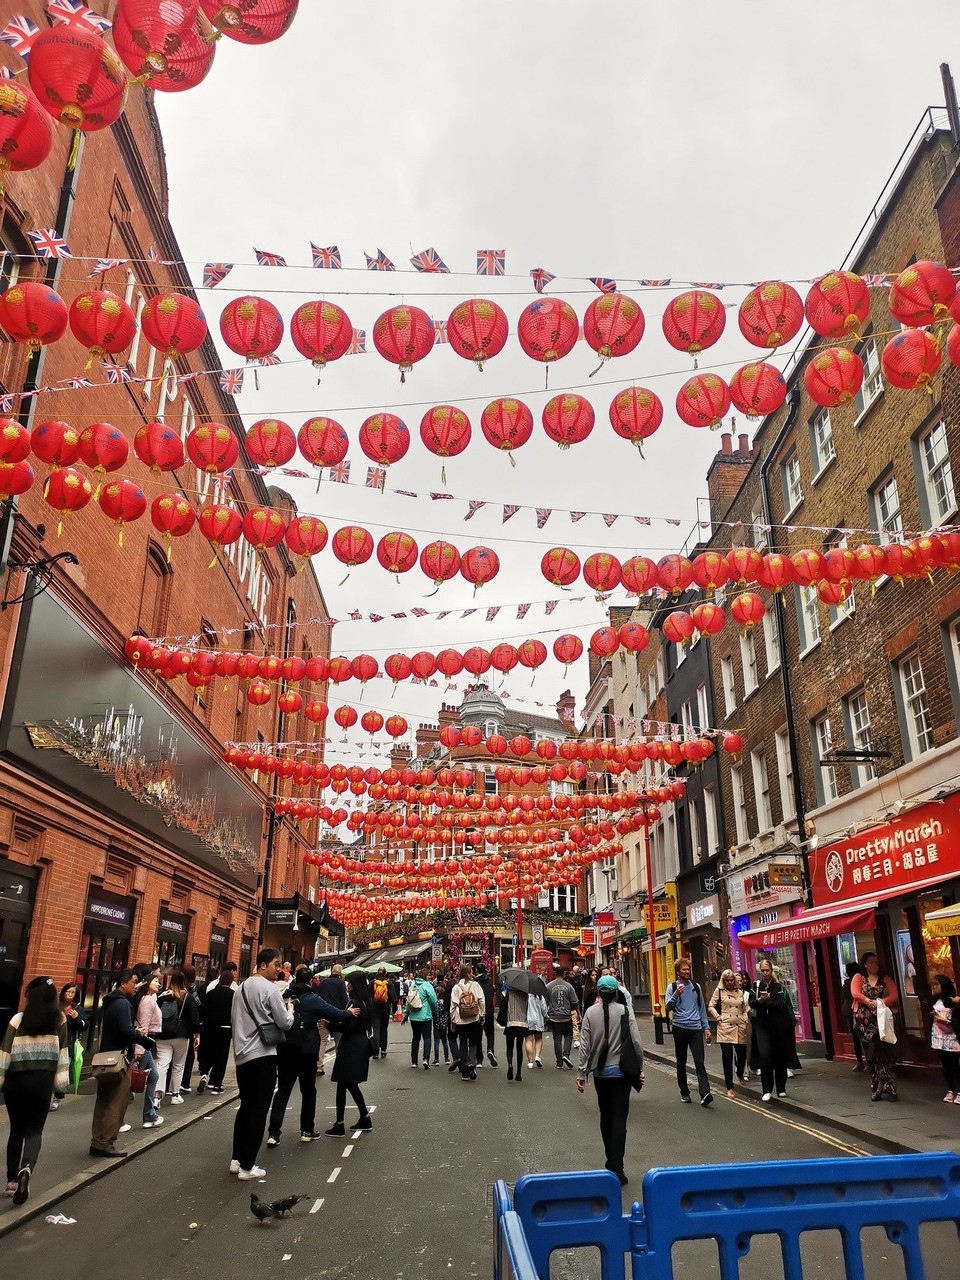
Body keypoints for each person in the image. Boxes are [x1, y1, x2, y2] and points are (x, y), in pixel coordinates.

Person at [1, 976, 69, 1204]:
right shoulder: (59, 1020)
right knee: (34, 1131)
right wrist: (60, 1086)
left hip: (16, 1082)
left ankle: (11, 1182)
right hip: (42, 1082)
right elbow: (63, 1054)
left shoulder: (17, 1020)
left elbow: (4, 1053)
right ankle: (27, 1168)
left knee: (16, 1131)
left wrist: (0, 1080)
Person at [267, 965, 355, 1145]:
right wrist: (349, 1012)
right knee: (308, 1091)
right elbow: (334, 1013)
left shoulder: (284, 996)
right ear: (309, 981)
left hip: (285, 1049)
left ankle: (273, 1134)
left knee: (283, 1090)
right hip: (307, 1051)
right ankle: (307, 1130)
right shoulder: (313, 999)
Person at [230, 948, 295, 1180]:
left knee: (245, 1107)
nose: (279, 969)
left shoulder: (241, 988)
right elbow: (284, 1023)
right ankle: (248, 1167)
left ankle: (236, 1160)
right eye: (276, 964)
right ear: (262, 965)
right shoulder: (270, 989)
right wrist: (291, 1010)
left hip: (242, 1057)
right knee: (258, 1110)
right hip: (263, 1056)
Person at [576, 974, 645, 1187]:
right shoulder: (625, 1010)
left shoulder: (589, 1012)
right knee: (619, 1120)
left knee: (605, 1117)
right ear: (616, 993)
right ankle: (616, 1166)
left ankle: (611, 1161)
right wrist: (639, 1069)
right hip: (622, 1074)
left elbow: (584, 1046)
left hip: (600, 1074)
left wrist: (581, 1074)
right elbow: (636, 1042)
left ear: (598, 993)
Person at [91, 969, 154, 1158]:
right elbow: (126, 1031)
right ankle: (106, 1142)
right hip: (118, 1058)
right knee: (117, 1101)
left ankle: (97, 1140)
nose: (136, 986)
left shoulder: (110, 1002)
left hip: (105, 1057)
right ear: (123, 983)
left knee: (103, 1100)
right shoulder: (123, 1004)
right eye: (134, 982)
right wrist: (140, 1034)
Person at [325, 972, 373, 1136]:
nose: (347, 985)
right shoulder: (367, 1001)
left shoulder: (354, 1003)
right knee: (350, 1083)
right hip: (361, 1044)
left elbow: (347, 1027)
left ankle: (340, 1124)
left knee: (343, 1083)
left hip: (351, 1045)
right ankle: (364, 1117)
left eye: (349, 982)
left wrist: (330, 1025)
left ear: (354, 984)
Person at [851, 952, 899, 1102]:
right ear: (865, 964)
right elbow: (855, 993)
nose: (875, 965)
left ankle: (889, 1088)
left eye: (876, 962)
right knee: (872, 1056)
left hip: (882, 1021)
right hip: (864, 1022)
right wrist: (868, 1001)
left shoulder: (885, 979)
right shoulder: (859, 977)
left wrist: (879, 1002)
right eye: (871, 962)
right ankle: (876, 1086)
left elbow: (894, 996)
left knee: (885, 1054)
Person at [664, 958, 712, 1106]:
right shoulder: (672, 987)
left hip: (696, 1028)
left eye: (688, 969)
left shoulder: (696, 987)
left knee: (699, 1061)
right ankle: (684, 1092)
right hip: (680, 1028)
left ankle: (705, 1093)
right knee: (681, 1061)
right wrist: (676, 995)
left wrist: (706, 1028)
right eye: (684, 970)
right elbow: (668, 1007)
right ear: (678, 972)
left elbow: (701, 1009)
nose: (687, 972)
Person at [155, 971, 202, 1107]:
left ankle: (156, 1097)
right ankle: (175, 1094)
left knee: (162, 1065)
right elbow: (194, 1019)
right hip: (182, 1035)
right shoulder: (187, 997)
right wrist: (197, 1034)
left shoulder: (162, 996)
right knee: (178, 1066)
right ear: (184, 982)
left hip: (163, 1035)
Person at [749, 958, 793, 1102]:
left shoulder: (778, 987)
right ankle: (767, 1089)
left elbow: (778, 1004)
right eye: (762, 971)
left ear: (771, 971)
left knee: (779, 1056)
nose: (765, 973)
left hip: (777, 1025)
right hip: (762, 1025)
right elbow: (751, 1003)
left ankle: (781, 1088)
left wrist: (765, 1001)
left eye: (767, 970)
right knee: (765, 1056)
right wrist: (761, 1001)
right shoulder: (756, 986)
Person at [708, 969, 749, 1098]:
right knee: (727, 1057)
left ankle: (740, 1073)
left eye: (732, 980)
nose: (730, 982)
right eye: (727, 980)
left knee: (742, 1055)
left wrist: (745, 1017)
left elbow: (744, 1008)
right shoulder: (719, 991)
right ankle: (729, 1087)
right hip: (725, 1026)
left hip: (739, 1026)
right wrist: (718, 1017)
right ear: (724, 981)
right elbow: (711, 1006)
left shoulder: (740, 992)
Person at [131, 973, 164, 1128]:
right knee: (131, 1083)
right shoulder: (147, 1000)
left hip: (145, 1043)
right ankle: (146, 1116)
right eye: (156, 981)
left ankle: (149, 1115)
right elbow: (142, 1026)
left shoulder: (149, 999)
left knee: (153, 1077)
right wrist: (139, 1049)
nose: (158, 983)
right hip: (143, 1043)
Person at [198, 969, 235, 1094]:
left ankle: (204, 1073)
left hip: (209, 1028)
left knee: (209, 1052)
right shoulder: (233, 995)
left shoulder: (211, 993)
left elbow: (204, 1009)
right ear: (231, 981)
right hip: (224, 1029)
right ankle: (216, 1084)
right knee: (221, 1057)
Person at [51, 983, 85, 1110]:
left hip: (68, 1045)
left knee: (62, 1072)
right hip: (54, 1043)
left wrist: (77, 1019)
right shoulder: (56, 1007)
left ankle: (57, 1098)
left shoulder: (76, 1009)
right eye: (68, 992)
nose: (70, 995)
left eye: (73, 993)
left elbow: (83, 1026)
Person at [450, 964, 485, 1081]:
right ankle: (471, 1063)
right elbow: (482, 1001)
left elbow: (453, 1006)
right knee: (473, 1042)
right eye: (471, 973)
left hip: (461, 1020)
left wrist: (453, 1020)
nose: (472, 975)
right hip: (474, 1019)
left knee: (463, 1043)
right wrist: (481, 1014)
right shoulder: (475, 985)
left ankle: (465, 1072)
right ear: (467, 974)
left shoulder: (456, 987)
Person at [929, 973, 960, 1103]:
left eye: (937, 985)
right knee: (945, 1065)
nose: (934, 987)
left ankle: (958, 1091)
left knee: (955, 1064)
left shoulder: (954, 1001)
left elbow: (958, 1020)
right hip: (938, 1036)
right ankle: (950, 1089)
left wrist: (946, 1020)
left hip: (951, 1036)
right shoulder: (934, 1000)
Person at [317, 964, 349, 1070]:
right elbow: (344, 1001)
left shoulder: (322, 983)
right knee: (338, 1041)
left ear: (331, 971)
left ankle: (319, 1066)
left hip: (323, 1015)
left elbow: (318, 998)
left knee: (322, 1041)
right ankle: (339, 1066)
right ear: (341, 973)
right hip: (337, 1016)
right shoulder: (341, 983)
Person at [404, 967, 438, 1068]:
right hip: (426, 1016)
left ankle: (414, 1061)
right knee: (427, 1037)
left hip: (414, 1016)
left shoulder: (412, 985)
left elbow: (408, 1002)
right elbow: (433, 1001)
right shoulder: (427, 986)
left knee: (416, 1037)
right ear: (425, 976)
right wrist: (435, 1013)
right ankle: (425, 1059)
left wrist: (406, 1015)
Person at [546, 971, 579, 1069]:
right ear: (564, 975)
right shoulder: (568, 986)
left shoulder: (549, 986)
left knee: (557, 1039)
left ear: (555, 974)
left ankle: (559, 1062)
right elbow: (575, 1001)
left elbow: (544, 999)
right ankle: (566, 1054)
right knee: (569, 1036)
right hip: (566, 1016)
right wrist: (578, 1013)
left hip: (554, 1016)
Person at [840, 961, 866, 1072]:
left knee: (858, 1037)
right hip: (853, 1011)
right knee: (861, 1036)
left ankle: (860, 1061)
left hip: (854, 1011)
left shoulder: (850, 983)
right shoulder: (855, 982)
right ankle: (864, 1061)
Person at [502, 984, 529, 1081]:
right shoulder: (525, 994)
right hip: (522, 1022)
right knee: (519, 1048)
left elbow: (504, 1005)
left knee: (509, 1047)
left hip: (510, 1022)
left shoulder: (509, 993)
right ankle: (519, 1073)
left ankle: (510, 1065)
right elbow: (527, 1008)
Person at [474, 964, 498, 1067]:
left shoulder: (474, 982)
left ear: (476, 970)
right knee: (490, 1033)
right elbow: (492, 993)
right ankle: (490, 1050)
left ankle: (479, 1059)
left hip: (478, 1011)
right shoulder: (490, 981)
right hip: (489, 1010)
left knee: (478, 1035)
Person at [370, 967, 396, 1060]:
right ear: (385, 974)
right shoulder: (388, 983)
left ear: (377, 973)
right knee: (384, 1029)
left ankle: (376, 1052)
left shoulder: (373, 983)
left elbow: (368, 997)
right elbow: (393, 998)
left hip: (374, 1009)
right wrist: (394, 1010)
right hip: (385, 1009)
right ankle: (383, 1050)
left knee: (376, 1029)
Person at [524, 989, 549, 1071]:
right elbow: (544, 1009)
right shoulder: (539, 996)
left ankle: (530, 1062)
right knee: (538, 1038)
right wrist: (546, 1017)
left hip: (528, 1020)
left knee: (528, 1040)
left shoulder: (525, 996)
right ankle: (537, 1056)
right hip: (538, 1020)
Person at [431, 974, 450, 1065]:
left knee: (436, 1041)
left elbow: (434, 1012)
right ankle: (447, 1058)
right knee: (445, 1041)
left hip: (437, 1023)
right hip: (444, 1023)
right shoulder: (445, 1003)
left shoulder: (436, 1003)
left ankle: (436, 1059)